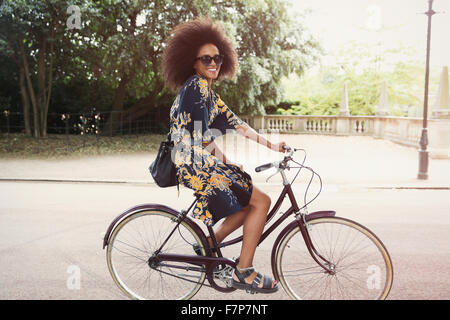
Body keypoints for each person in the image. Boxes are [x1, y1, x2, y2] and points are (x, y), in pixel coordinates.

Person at [161, 16, 286, 294]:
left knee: (248, 202)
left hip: (198, 160)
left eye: (217, 58)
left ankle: (208, 244)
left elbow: (237, 124)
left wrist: (272, 145)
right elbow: (202, 137)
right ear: (192, 63)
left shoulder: (208, 92)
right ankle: (243, 272)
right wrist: (227, 161)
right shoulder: (195, 86)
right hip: (192, 163)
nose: (213, 63)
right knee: (261, 201)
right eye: (205, 59)